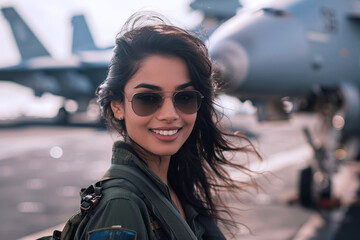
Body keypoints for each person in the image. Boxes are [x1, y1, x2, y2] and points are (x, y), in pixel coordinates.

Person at [79, 12, 260, 240]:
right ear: (117, 106)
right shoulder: (120, 208)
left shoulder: (174, 187)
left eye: (184, 97)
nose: (170, 115)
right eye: (147, 98)